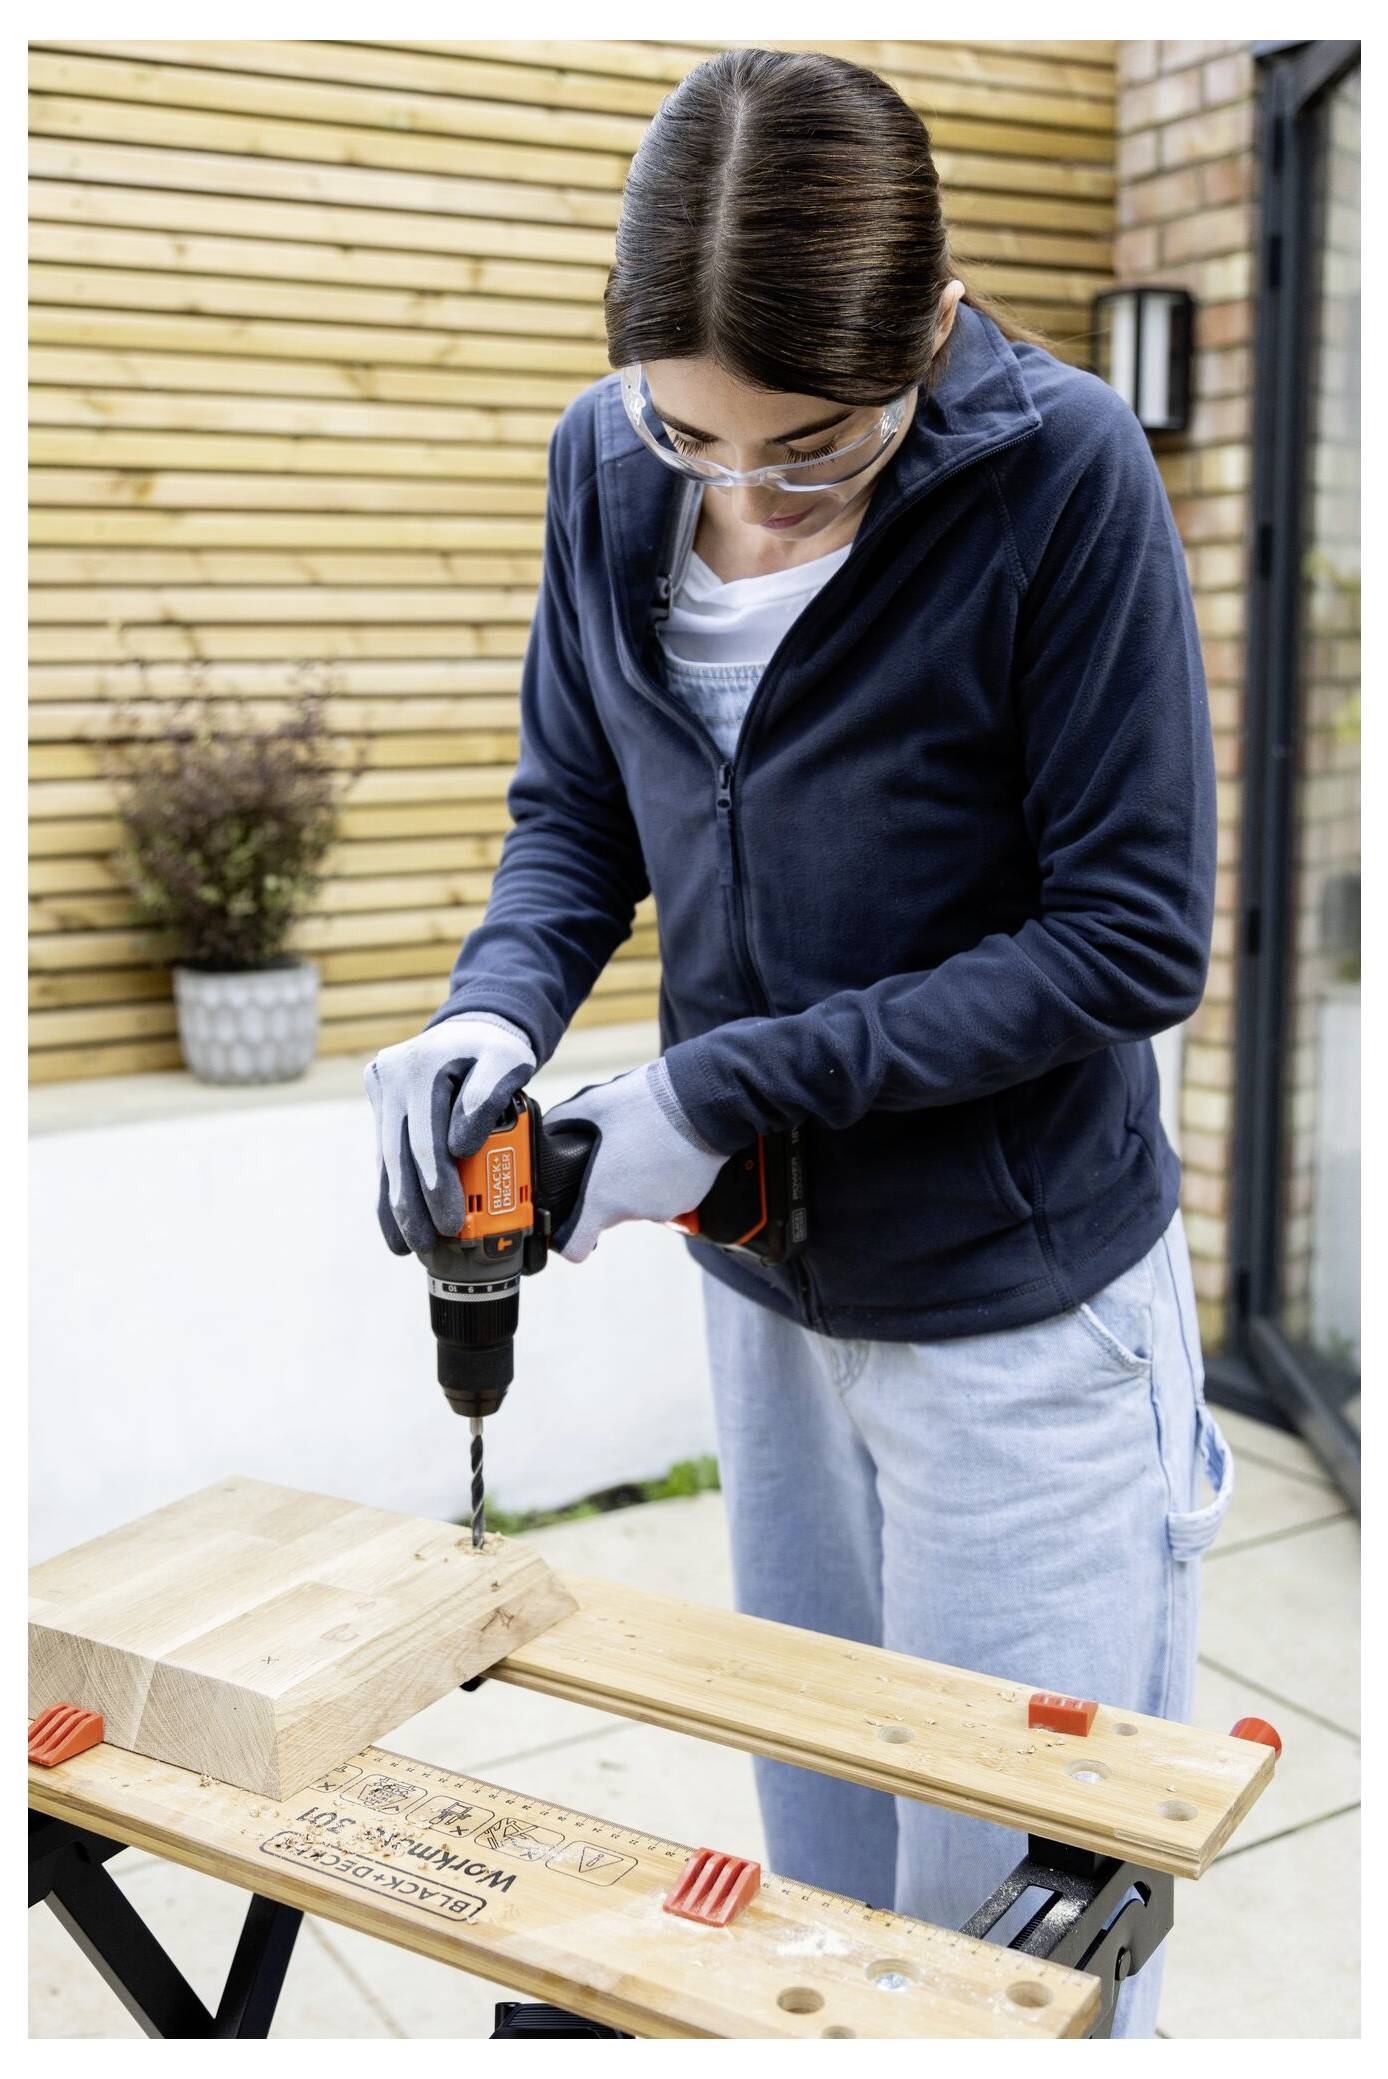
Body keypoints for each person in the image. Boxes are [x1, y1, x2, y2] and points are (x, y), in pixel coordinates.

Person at [364, 48, 1233, 2036]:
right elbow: (576, 809)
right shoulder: (602, 463)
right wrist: (493, 1006)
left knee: (1009, 1954)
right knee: (825, 1924)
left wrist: (724, 1081)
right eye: (696, 439)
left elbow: (1127, 937)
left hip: (1020, 1336)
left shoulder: (1061, 479)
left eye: (816, 451)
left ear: (925, 330)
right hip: (764, 1301)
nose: (747, 498)